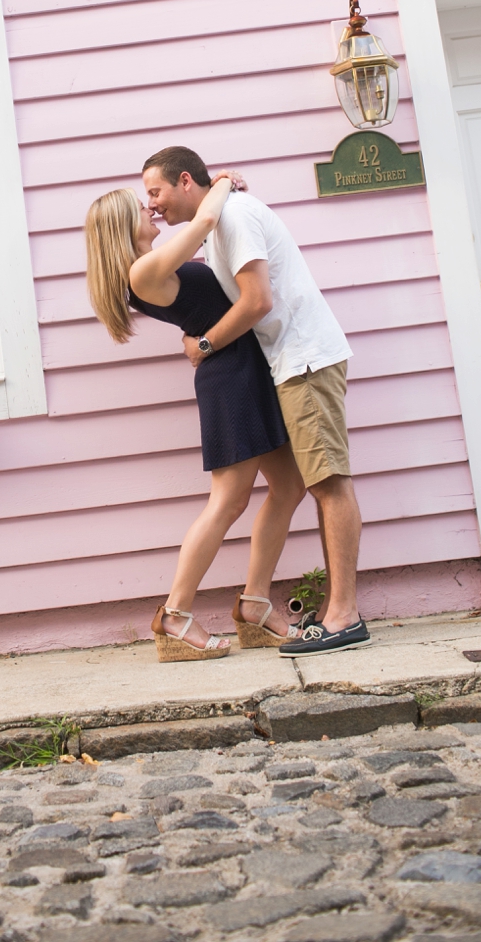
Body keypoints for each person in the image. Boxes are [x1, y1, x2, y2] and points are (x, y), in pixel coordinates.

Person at [142, 146, 368, 656]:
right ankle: (283, 608)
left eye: (154, 191)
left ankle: (342, 615)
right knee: (301, 485)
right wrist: (220, 185)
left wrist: (203, 344)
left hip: (303, 358)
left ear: (183, 180)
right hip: (278, 365)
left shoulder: (234, 218)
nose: (151, 205)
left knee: (328, 482)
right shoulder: (216, 220)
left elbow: (258, 301)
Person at [84, 179, 310, 661]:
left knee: (289, 487)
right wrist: (223, 182)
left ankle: (254, 605)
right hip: (231, 379)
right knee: (227, 501)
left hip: (245, 369)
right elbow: (205, 220)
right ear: (122, 225)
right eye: (139, 206)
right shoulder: (143, 270)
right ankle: (175, 614)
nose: (149, 209)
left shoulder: (149, 267)